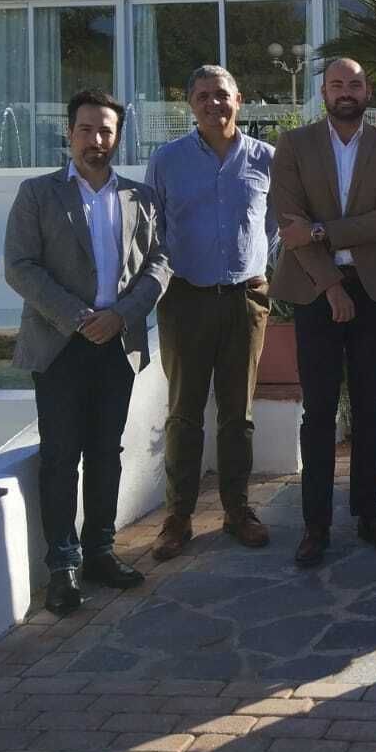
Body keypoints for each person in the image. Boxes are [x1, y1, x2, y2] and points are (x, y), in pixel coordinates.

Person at [3, 91, 170, 616]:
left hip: (117, 344)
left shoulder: (140, 197)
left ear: (118, 136)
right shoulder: (37, 194)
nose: (96, 141)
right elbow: (21, 267)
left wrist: (120, 315)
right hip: (59, 345)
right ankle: (63, 566)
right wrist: (80, 317)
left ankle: (100, 551)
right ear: (69, 134)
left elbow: (160, 263)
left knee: (105, 454)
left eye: (106, 131)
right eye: (86, 130)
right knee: (60, 458)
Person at [271, 58, 376, 566]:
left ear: (367, 89)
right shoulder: (294, 146)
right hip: (313, 291)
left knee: (371, 408)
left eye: (355, 82)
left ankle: (368, 514)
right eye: (337, 84)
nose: (347, 91)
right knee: (319, 412)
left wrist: (318, 230)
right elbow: (288, 222)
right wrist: (331, 284)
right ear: (324, 91)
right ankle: (316, 525)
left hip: (372, 291)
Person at [144, 66, 278, 562]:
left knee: (237, 415)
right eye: (202, 96)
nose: (212, 104)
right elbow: (151, 229)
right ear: (189, 104)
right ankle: (177, 518)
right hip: (185, 299)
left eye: (221, 95)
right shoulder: (168, 161)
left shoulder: (266, 160)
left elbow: (274, 227)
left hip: (245, 300)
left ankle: (237, 510)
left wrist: (257, 272)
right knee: (183, 413)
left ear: (239, 99)